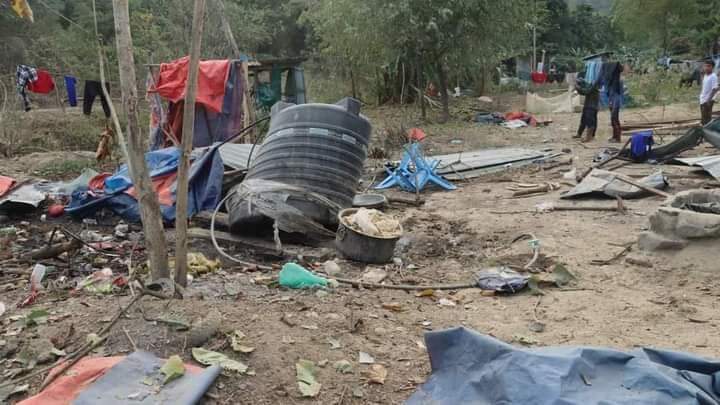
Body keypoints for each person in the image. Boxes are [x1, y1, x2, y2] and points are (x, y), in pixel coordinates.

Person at [573, 74, 599, 142]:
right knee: (583, 121)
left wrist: (577, 87)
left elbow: (585, 91)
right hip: (588, 105)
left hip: (591, 107)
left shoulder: (593, 85)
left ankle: (589, 137)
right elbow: (583, 91)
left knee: (590, 122)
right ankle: (579, 134)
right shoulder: (590, 84)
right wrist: (578, 87)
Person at [606, 63, 624, 143]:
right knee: (614, 119)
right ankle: (615, 136)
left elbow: (615, 94)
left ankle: (617, 138)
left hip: (615, 102)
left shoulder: (616, 81)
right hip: (613, 101)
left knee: (614, 119)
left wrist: (611, 102)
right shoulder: (614, 80)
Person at [700, 59, 719, 125]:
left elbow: (715, 89)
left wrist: (708, 100)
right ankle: (704, 127)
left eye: (708, 66)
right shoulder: (705, 75)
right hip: (703, 99)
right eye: (705, 66)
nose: (706, 68)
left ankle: (707, 129)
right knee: (703, 117)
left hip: (708, 100)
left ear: (712, 67)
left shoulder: (713, 76)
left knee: (707, 118)